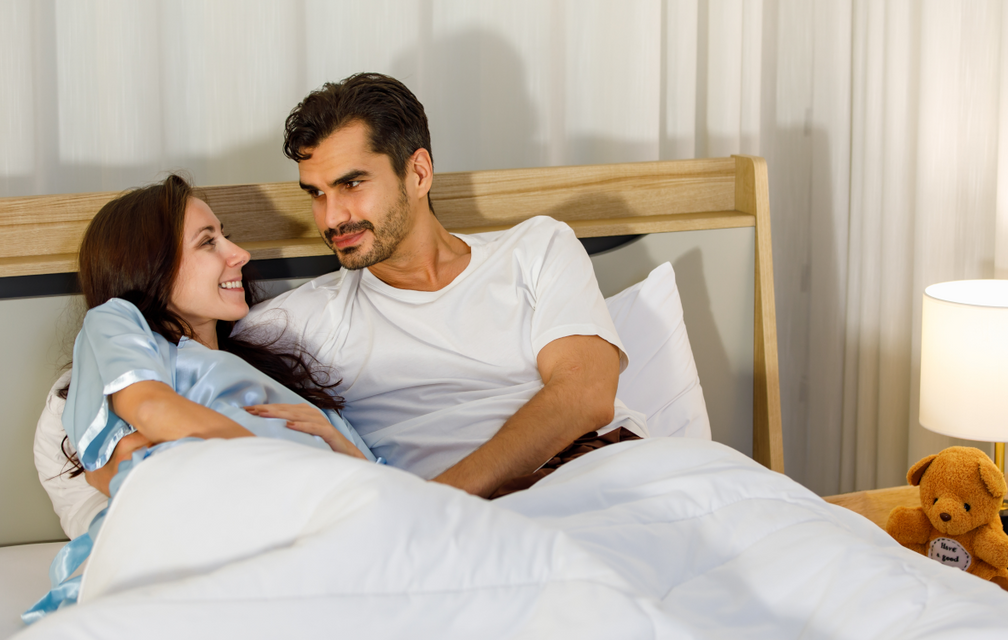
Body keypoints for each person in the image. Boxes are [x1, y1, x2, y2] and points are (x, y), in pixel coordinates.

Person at [238, 72, 649, 499]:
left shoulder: (537, 248)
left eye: (352, 184)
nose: (331, 217)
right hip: (463, 525)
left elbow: (586, 394)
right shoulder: (302, 321)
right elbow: (181, 357)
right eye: (316, 194)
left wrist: (433, 504)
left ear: (418, 173)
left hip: (596, 468)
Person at [25, 173, 379, 623]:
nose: (240, 255)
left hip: (337, 551)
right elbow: (133, 444)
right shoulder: (114, 331)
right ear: (150, 264)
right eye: (208, 242)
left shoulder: (277, 377)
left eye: (225, 236)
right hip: (238, 555)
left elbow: (378, 494)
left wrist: (336, 443)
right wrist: (283, 466)